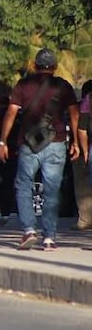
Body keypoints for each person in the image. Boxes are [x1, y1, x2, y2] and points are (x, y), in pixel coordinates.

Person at [0, 48, 79, 251]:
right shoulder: (64, 87)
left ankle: (29, 231)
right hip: (57, 143)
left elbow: (11, 113)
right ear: (55, 67)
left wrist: (2, 141)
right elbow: (75, 115)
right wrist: (76, 142)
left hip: (29, 144)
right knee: (52, 191)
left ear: (34, 65)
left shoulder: (23, 86)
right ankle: (49, 238)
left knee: (24, 185)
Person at [73, 80, 92, 231]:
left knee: (82, 185)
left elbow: (81, 129)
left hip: (84, 149)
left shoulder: (85, 103)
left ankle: (85, 219)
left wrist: (83, 149)